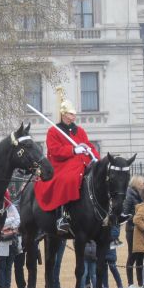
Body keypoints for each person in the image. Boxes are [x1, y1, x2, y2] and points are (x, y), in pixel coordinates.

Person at [33, 86, 99, 236]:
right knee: (68, 179)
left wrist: (94, 157)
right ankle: (62, 216)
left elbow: (88, 144)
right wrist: (73, 150)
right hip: (62, 165)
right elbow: (54, 151)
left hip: (81, 163)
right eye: (70, 114)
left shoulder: (80, 131)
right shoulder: (53, 131)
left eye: (74, 114)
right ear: (63, 114)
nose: (73, 116)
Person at [123, 175, 144, 288]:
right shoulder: (130, 195)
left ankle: (141, 283)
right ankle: (130, 284)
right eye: (142, 183)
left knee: (140, 256)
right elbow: (126, 213)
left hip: (141, 229)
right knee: (132, 255)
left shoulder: (141, 195)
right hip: (132, 229)